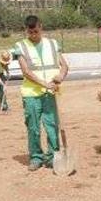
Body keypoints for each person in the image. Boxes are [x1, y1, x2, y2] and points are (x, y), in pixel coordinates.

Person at [14, 15, 69, 171]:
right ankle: (36, 157)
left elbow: (64, 65)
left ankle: (53, 157)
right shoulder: (21, 46)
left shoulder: (52, 44)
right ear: (26, 30)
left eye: (36, 31)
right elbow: (26, 71)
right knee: (33, 127)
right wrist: (45, 84)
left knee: (52, 125)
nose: (33, 35)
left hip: (50, 94)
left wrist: (60, 76)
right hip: (31, 94)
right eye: (30, 32)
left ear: (41, 27)